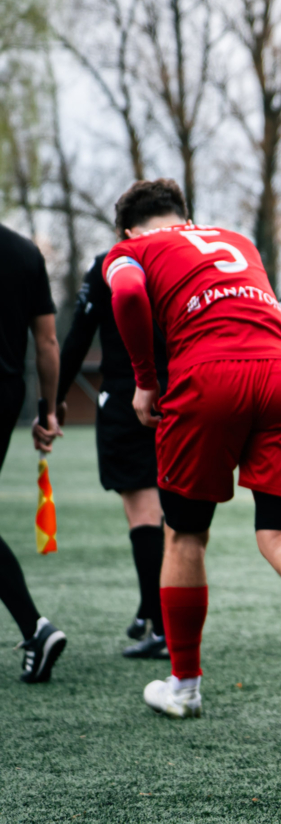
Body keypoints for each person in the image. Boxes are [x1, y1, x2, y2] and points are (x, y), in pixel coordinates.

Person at [102, 179, 281, 737]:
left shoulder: (131, 250)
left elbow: (126, 296)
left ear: (126, 229)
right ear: (186, 216)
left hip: (208, 375)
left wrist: (145, 380)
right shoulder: (237, 240)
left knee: (185, 535)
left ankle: (185, 687)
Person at [54, 247, 170, 659]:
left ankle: (163, 628)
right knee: (175, 512)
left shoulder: (111, 264)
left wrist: (52, 399)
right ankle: (150, 608)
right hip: (184, 392)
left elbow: (78, 336)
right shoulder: (184, 258)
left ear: (126, 228)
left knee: (144, 510)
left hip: (129, 396)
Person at [1, 223, 67, 683]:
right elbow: (47, 341)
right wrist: (47, 410)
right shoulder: (25, 252)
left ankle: (35, 628)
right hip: (5, 394)